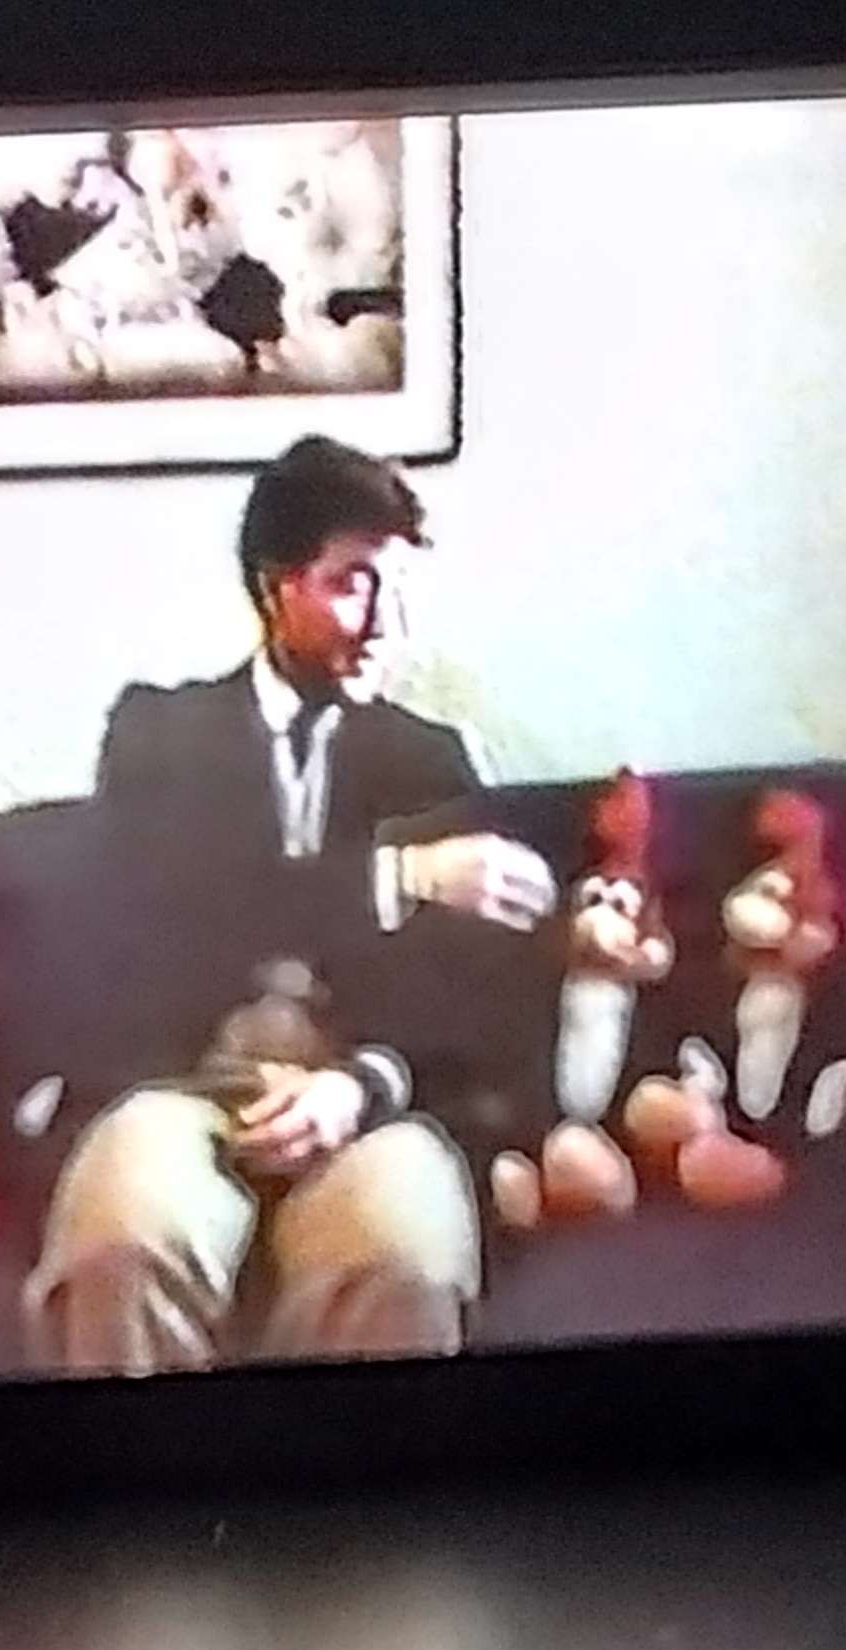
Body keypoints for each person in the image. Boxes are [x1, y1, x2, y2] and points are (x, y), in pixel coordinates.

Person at [28, 438, 554, 1369]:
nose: (386, 622)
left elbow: (470, 998)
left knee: (404, 1264)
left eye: (397, 589)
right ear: (276, 590)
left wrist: (363, 1085)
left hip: (369, 1098)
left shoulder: (431, 757)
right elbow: (179, 898)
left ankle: (367, 1522)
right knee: (120, 1249)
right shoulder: (159, 731)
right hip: (179, 1086)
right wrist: (402, 875)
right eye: (353, 583)